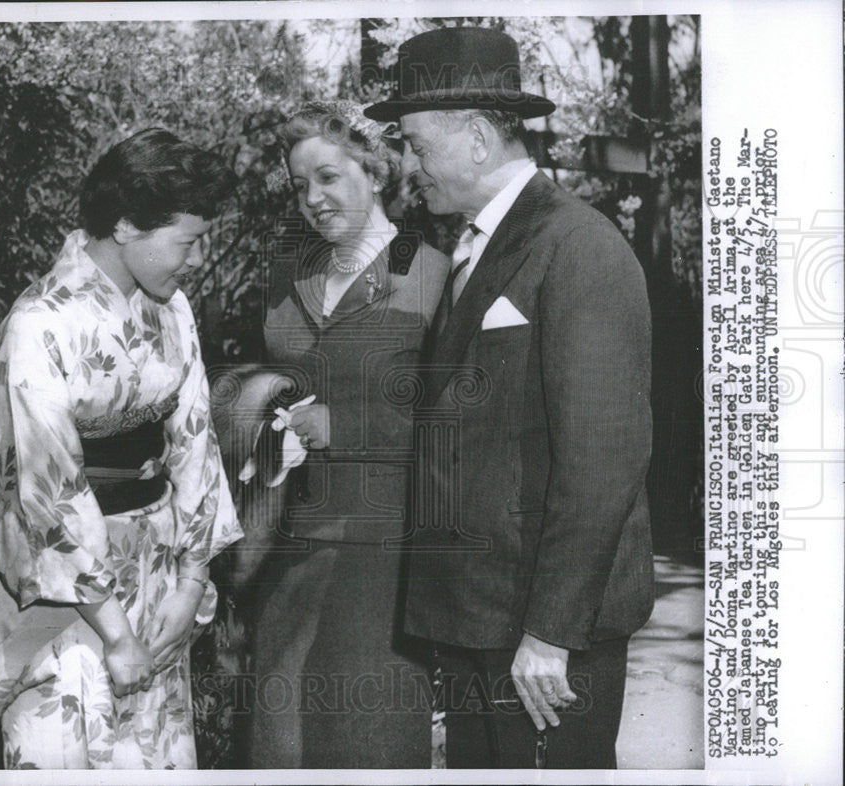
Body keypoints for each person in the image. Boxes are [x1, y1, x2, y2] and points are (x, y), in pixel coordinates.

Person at [365, 27, 655, 769]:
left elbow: (603, 461)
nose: (407, 165)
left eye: (416, 144)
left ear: (476, 138)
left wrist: (551, 633)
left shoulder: (579, 248)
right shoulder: (478, 246)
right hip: (480, 623)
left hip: (539, 640)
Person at [0, 128, 243, 769]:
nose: (196, 257)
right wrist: (117, 632)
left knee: (152, 751)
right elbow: (44, 488)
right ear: (127, 224)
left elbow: (194, 442)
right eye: (187, 240)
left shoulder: (173, 308)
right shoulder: (41, 322)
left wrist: (192, 582)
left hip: (158, 566)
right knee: (66, 743)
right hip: (64, 588)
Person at [245, 100, 448, 768]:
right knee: (283, 743)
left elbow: (460, 416)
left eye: (328, 177)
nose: (313, 199)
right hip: (286, 547)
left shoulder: (431, 276)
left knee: (369, 739)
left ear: (376, 171)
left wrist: (345, 424)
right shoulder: (288, 278)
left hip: (381, 557)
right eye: (300, 186)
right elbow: (254, 381)